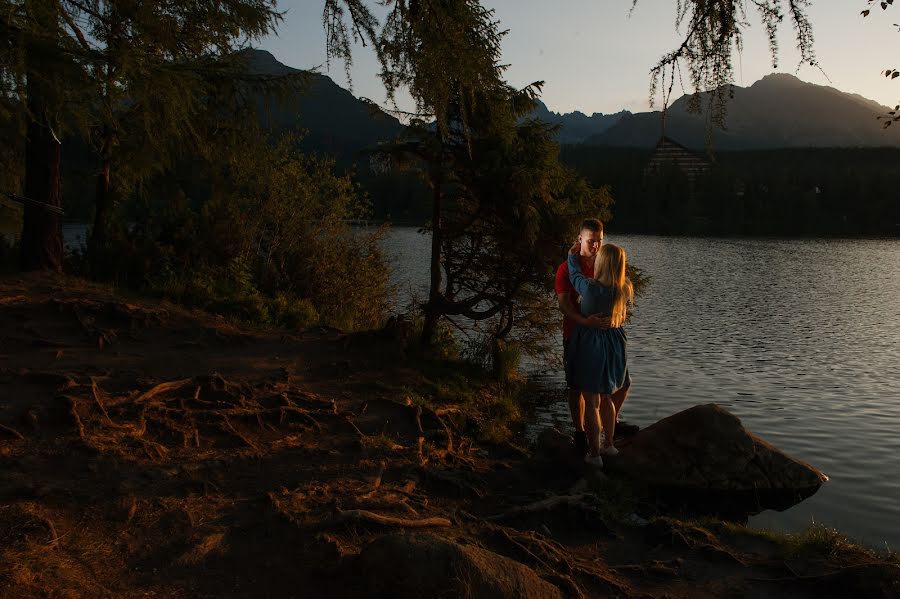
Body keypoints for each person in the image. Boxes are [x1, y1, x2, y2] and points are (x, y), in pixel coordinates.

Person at [565, 242, 634, 466]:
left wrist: (571, 255)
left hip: (591, 342)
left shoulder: (590, 288)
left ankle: (594, 455)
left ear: (602, 263)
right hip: (615, 341)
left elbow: (574, 275)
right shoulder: (624, 289)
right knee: (607, 397)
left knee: (592, 401)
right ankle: (609, 445)